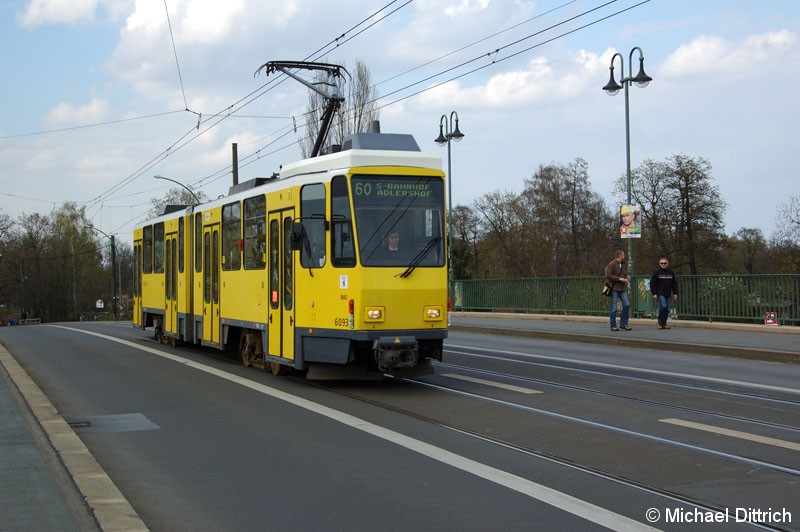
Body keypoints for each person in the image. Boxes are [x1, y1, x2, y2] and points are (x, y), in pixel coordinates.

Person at [604, 250, 631, 331]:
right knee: (614, 307)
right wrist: (619, 279)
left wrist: (627, 278)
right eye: (623, 255)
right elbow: (608, 275)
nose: (624, 256)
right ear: (619, 256)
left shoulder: (622, 264)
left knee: (626, 305)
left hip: (622, 288)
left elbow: (624, 274)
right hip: (614, 288)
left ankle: (623, 324)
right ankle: (613, 325)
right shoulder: (612, 264)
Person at [650, 258, 678, 329]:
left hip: (668, 293)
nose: (663, 264)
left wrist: (675, 293)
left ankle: (664, 323)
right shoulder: (657, 272)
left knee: (667, 308)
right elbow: (652, 283)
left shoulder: (670, 272)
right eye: (662, 263)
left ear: (667, 264)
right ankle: (660, 323)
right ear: (660, 264)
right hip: (660, 293)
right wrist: (654, 293)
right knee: (663, 306)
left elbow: (674, 283)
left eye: (665, 263)